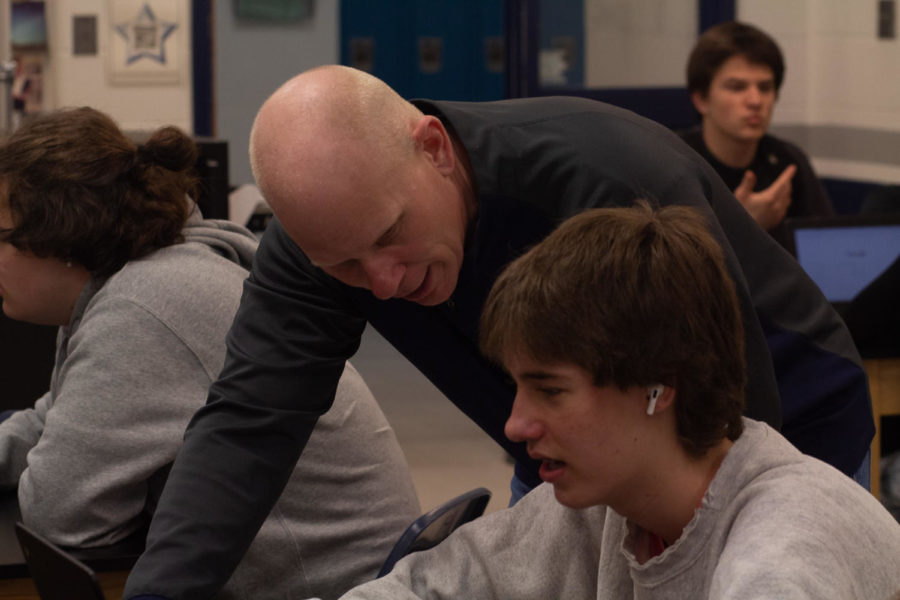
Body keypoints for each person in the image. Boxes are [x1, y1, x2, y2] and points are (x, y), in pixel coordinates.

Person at [124, 65, 871, 599]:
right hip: (586, 441)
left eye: (392, 234)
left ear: (434, 148)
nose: (383, 283)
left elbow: (728, 420)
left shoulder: (604, 178)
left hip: (775, 406)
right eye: (346, 264)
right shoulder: (324, 237)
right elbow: (249, 421)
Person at [332, 203, 900, 600]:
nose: (515, 424)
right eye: (519, 388)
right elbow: (425, 589)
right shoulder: (606, 503)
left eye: (550, 391)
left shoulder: (785, 545)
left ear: (659, 387)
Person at [0, 107, 420, 600]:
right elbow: (62, 418)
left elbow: (62, 517)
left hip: (335, 589)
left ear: (60, 237)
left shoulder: (142, 308)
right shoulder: (140, 280)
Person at [680, 21, 833, 248]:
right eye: (737, 87)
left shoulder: (788, 160)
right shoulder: (677, 162)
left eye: (765, 88)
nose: (755, 101)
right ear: (701, 100)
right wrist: (743, 226)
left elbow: (826, 247)